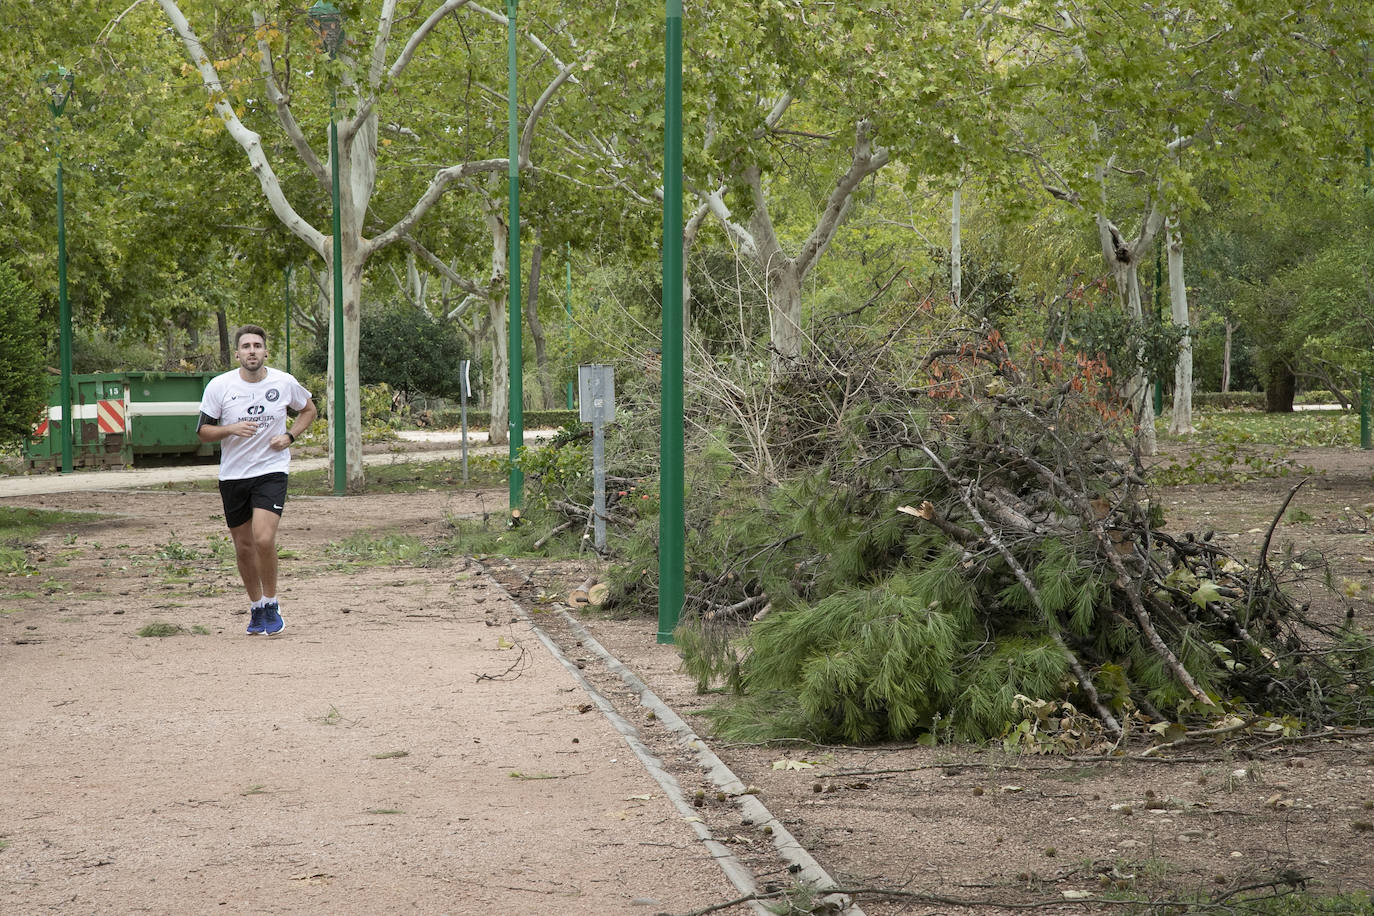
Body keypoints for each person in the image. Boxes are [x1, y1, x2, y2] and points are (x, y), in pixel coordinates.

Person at [197, 324, 317, 635]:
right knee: (244, 546)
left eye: (257, 346)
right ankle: (256, 607)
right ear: (237, 354)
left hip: (271, 470)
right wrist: (231, 429)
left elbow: (308, 410)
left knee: (263, 539)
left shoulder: (284, 382)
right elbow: (203, 432)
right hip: (233, 475)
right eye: (246, 346)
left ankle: (272, 602)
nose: (252, 351)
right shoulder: (219, 386)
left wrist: (289, 436)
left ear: (266, 352)